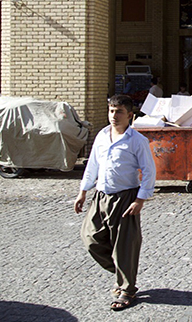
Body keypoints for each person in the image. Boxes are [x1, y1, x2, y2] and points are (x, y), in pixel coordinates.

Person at [74, 94, 156, 311]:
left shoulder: (137, 140)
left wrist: (141, 199)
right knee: (90, 237)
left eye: (119, 111)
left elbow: (149, 171)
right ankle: (121, 272)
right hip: (101, 196)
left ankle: (127, 289)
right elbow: (92, 165)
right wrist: (83, 191)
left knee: (125, 246)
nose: (114, 115)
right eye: (111, 111)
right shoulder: (102, 136)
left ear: (129, 115)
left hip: (126, 198)